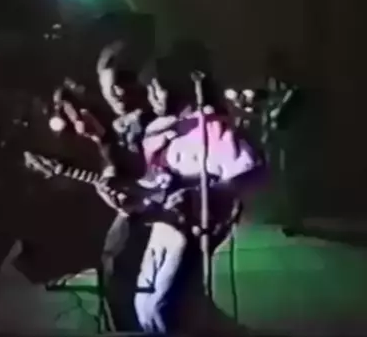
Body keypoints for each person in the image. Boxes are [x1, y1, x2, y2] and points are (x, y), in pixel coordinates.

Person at [95, 48, 264, 333]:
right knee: (144, 306)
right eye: (148, 89)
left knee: (163, 307)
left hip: (193, 228)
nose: (151, 96)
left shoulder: (210, 127)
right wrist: (130, 198)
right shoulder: (158, 131)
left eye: (157, 88)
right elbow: (155, 184)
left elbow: (251, 173)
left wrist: (206, 194)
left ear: (178, 87)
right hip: (164, 224)